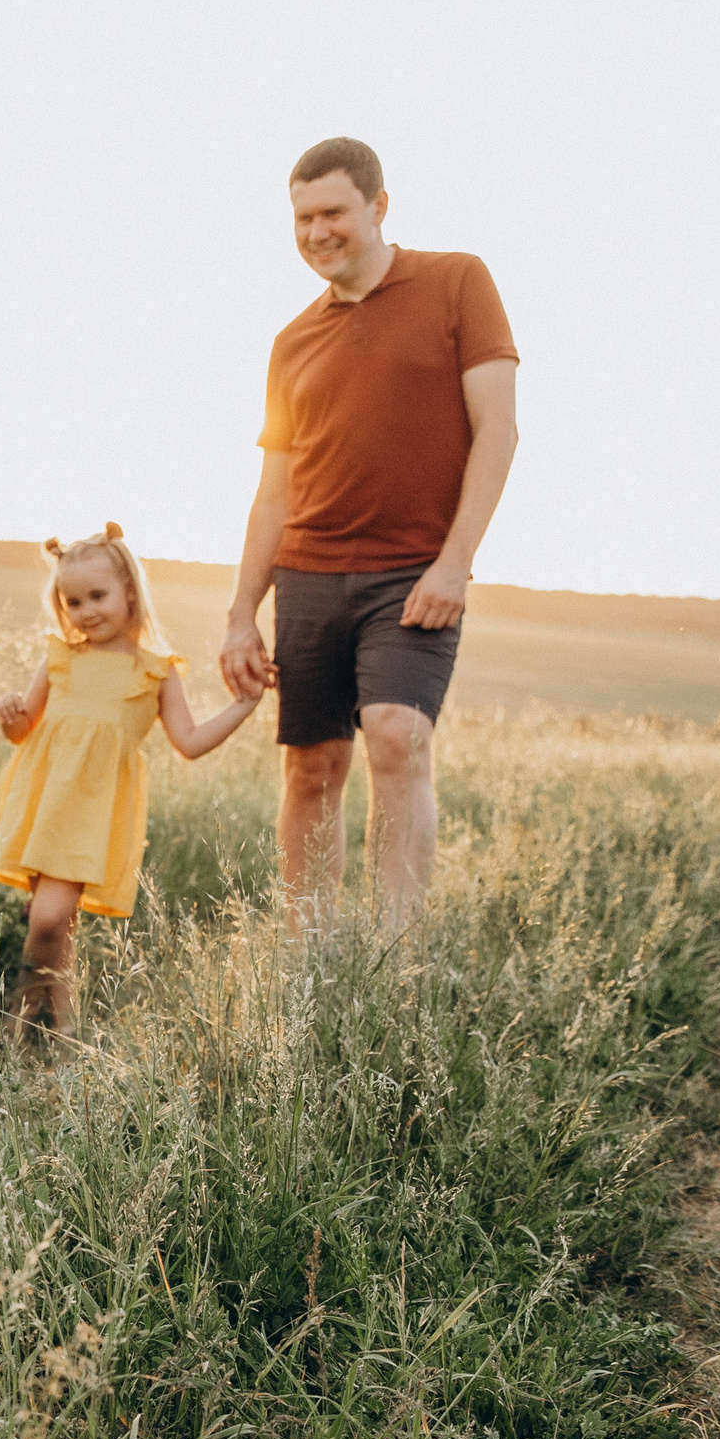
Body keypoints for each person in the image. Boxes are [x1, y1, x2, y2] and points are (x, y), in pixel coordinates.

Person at [219, 137, 520, 927]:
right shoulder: (291, 341)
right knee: (311, 769)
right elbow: (274, 493)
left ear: (378, 206)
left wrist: (455, 563)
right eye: (302, 218)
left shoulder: (458, 282)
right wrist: (241, 613)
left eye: (333, 213)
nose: (317, 232)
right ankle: (310, 960)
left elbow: (498, 430)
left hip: (414, 572)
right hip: (309, 574)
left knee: (396, 735)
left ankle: (394, 958)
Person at [0, 524, 264, 1034]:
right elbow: (23, 731)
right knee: (56, 926)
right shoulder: (60, 657)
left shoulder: (156, 671)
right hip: (44, 804)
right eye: (73, 602)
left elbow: (190, 742)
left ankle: (17, 1021)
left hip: (94, 815)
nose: (86, 611)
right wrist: (8, 717)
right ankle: (63, 1036)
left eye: (97, 596)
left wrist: (244, 705)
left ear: (129, 589)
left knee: (47, 921)